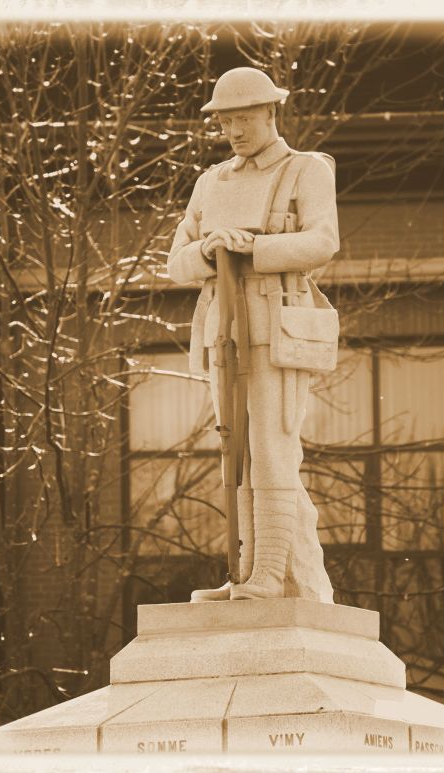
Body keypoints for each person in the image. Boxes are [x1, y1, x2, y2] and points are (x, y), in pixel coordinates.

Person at [167, 67, 339, 603]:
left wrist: (253, 248)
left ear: (270, 112)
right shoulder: (210, 182)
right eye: (225, 122)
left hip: (276, 326)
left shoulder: (305, 170)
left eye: (243, 118)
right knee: (236, 453)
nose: (234, 131)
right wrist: (209, 248)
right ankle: (247, 572)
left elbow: (323, 241)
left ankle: (270, 574)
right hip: (223, 329)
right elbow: (176, 262)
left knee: (271, 450)